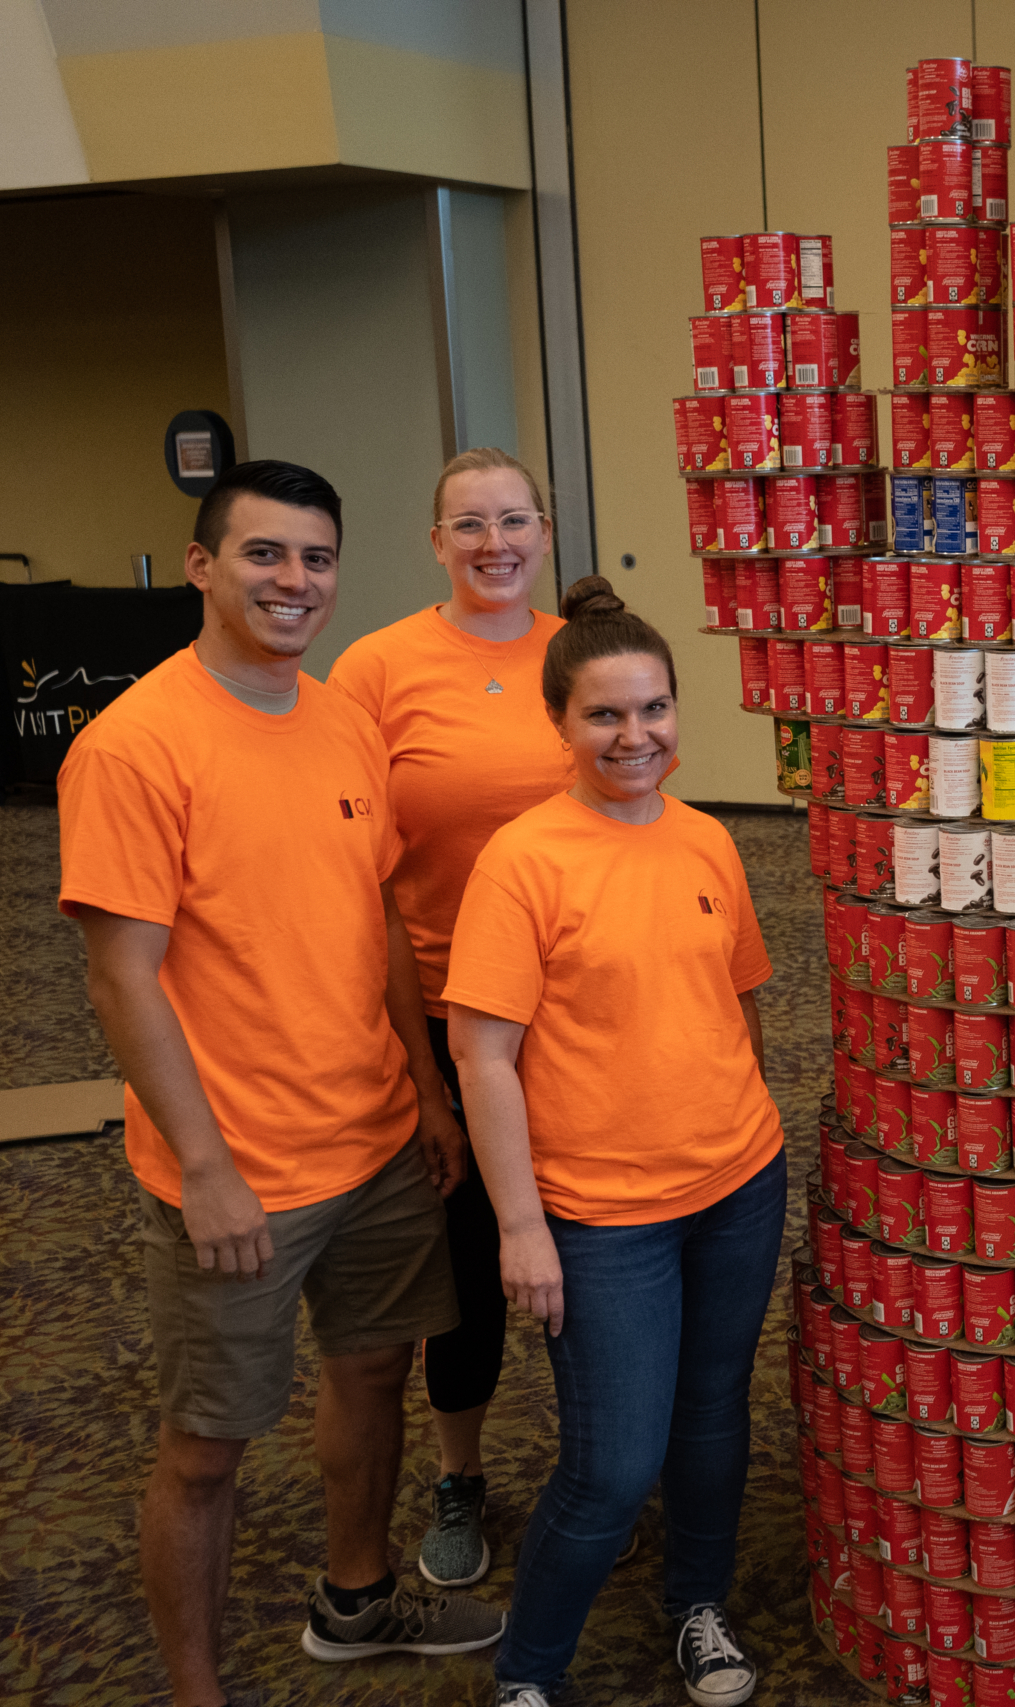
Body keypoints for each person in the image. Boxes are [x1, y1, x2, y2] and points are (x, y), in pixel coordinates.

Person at [58, 460, 506, 1707]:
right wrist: (203, 1169)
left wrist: (422, 1091)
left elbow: (374, 917)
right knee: (207, 1447)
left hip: (372, 1138)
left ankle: (355, 1601)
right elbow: (122, 982)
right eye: (263, 554)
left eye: (313, 558)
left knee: (372, 1374)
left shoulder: (340, 717)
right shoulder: (135, 745)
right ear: (202, 566)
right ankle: (198, 1691)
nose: (292, 581)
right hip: (236, 1169)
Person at [444, 577, 784, 1707]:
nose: (633, 736)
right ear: (560, 727)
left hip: (735, 1181)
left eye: (652, 710)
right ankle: (528, 1672)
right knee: (611, 1463)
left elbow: (732, 1004)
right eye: (604, 715)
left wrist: (737, 1123)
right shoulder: (524, 861)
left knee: (713, 1417)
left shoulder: (705, 843)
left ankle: (697, 1604)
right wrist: (522, 1228)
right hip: (598, 1215)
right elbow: (483, 1056)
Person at [331, 447, 570, 1583]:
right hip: (442, 1009)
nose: (494, 545)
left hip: (577, 1011)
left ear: (546, 527)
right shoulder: (377, 668)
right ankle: (461, 1474)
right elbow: (363, 879)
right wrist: (422, 1083)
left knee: (598, 1239)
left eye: (513, 520)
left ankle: (603, 1460)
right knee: (467, 1260)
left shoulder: (574, 652)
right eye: (468, 526)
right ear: (435, 543)